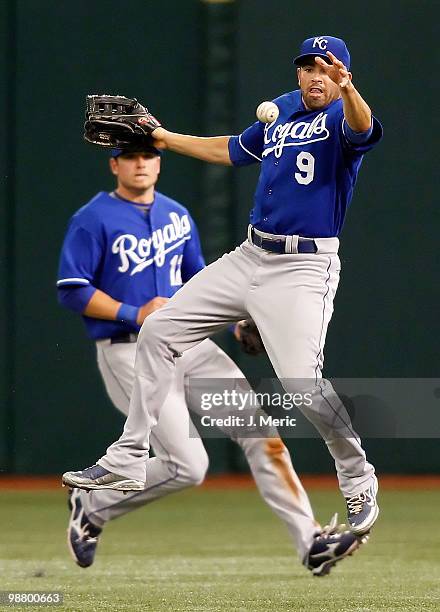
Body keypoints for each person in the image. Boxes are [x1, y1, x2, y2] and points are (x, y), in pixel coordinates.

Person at [63, 36, 383, 537]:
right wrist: (164, 138)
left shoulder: (345, 114)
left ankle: (357, 476)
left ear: (341, 71)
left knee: (303, 388)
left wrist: (350, 90)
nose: (317, 75)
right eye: (308, 67)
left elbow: (364, 129)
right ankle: (127, 458)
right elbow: (233, 150)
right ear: (298, 73)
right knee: (159, 332)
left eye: (327, 67)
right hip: (250, 253)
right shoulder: (280, 110)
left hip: (302, 269)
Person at [57, 144, 364, 576]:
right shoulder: (92, 218)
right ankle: (93, 504)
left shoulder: (176, 215)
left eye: (148, 154)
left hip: (196, 349)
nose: (141, 162)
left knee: (262, 435)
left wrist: (236, 324)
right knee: (189, 465)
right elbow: (72, 289)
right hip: (130, 350)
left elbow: (200, 285)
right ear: (115, 164)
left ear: (159, 162)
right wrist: (134, 313)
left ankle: (311, 541)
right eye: (130, 155)